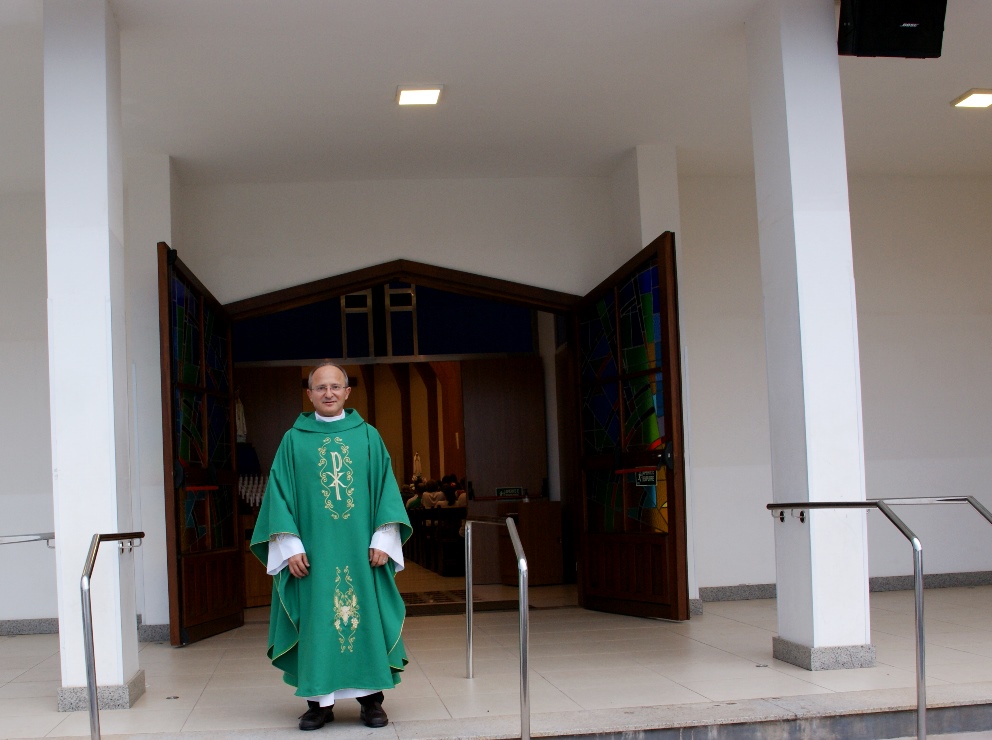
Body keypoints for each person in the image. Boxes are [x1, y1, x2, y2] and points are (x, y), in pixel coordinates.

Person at [250, 362, 411, 731]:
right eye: (320, 387)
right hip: (313, 554)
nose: (328, 393)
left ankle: (371, 701)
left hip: (361, 552)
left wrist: (384, 536)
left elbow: (386, 488)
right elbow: (279, 495)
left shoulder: (368, 436)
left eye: (335, 386)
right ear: (309, 394)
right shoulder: (293, 440)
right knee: (316, 619)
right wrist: (289, 545)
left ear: (347, 392)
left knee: (366, 616)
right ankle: (318, 704)